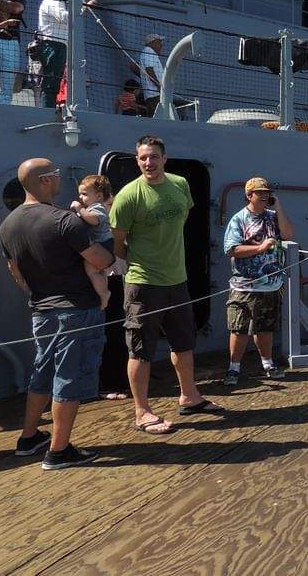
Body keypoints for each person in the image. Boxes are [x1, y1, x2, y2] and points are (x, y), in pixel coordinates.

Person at [0, 157, 114, 469]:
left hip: (41, 310)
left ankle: (29, 437)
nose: (60, 178)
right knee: (68, 377)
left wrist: (39, 293)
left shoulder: (8, 225)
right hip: (76, 311)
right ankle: (59, 451)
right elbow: (101, 261)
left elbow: (15, 271)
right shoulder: (64, 220)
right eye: (57, 174)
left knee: (43, 371)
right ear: (46, 181)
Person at [111, 135, 223, 434]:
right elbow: (118, 242)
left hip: (177, 280)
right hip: (143, 282)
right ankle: (142, 412)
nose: (148, 162)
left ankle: (189, 396)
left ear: (164, 158)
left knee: (184, 342)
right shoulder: (128, 196)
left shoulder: (180, 185)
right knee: (140, 350)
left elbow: (181, 218)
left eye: (153, 157)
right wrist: (132, 266)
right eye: (143, 158)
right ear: (137, 161)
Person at [222, 177, 295, 385]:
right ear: (249, 195)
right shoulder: (239, 219)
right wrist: (259, 248)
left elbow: (288, 234)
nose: (264, 196)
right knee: (239, 328)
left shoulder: (273, 217)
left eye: (267, 193)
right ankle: (234, 368)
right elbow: (231, 249)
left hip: (271, 286)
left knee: (265, 328)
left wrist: (278, 207)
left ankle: (268, 363)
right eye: (259, 193)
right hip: (244, 286)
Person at [71, 174, 115, 308]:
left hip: (103, 244)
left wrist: (79, 209)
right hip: (102, 244)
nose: (80, 197)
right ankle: (103, 291)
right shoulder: (91, 208)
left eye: (84, 194)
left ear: (99, 196)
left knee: (91, 271)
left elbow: (94, 220)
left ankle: (104, 294)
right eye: (80, 194)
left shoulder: (97, 207)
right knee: (99, 271)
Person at [133, 34, 165, 115]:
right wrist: (159, 86)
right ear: (152, 42)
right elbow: (149, 70)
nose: (161, 45)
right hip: (155, 94)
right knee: (158, 116)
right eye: (159, 42)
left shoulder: (148, 53)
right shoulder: (149, 51)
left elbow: (133, 66)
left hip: (154, 94)